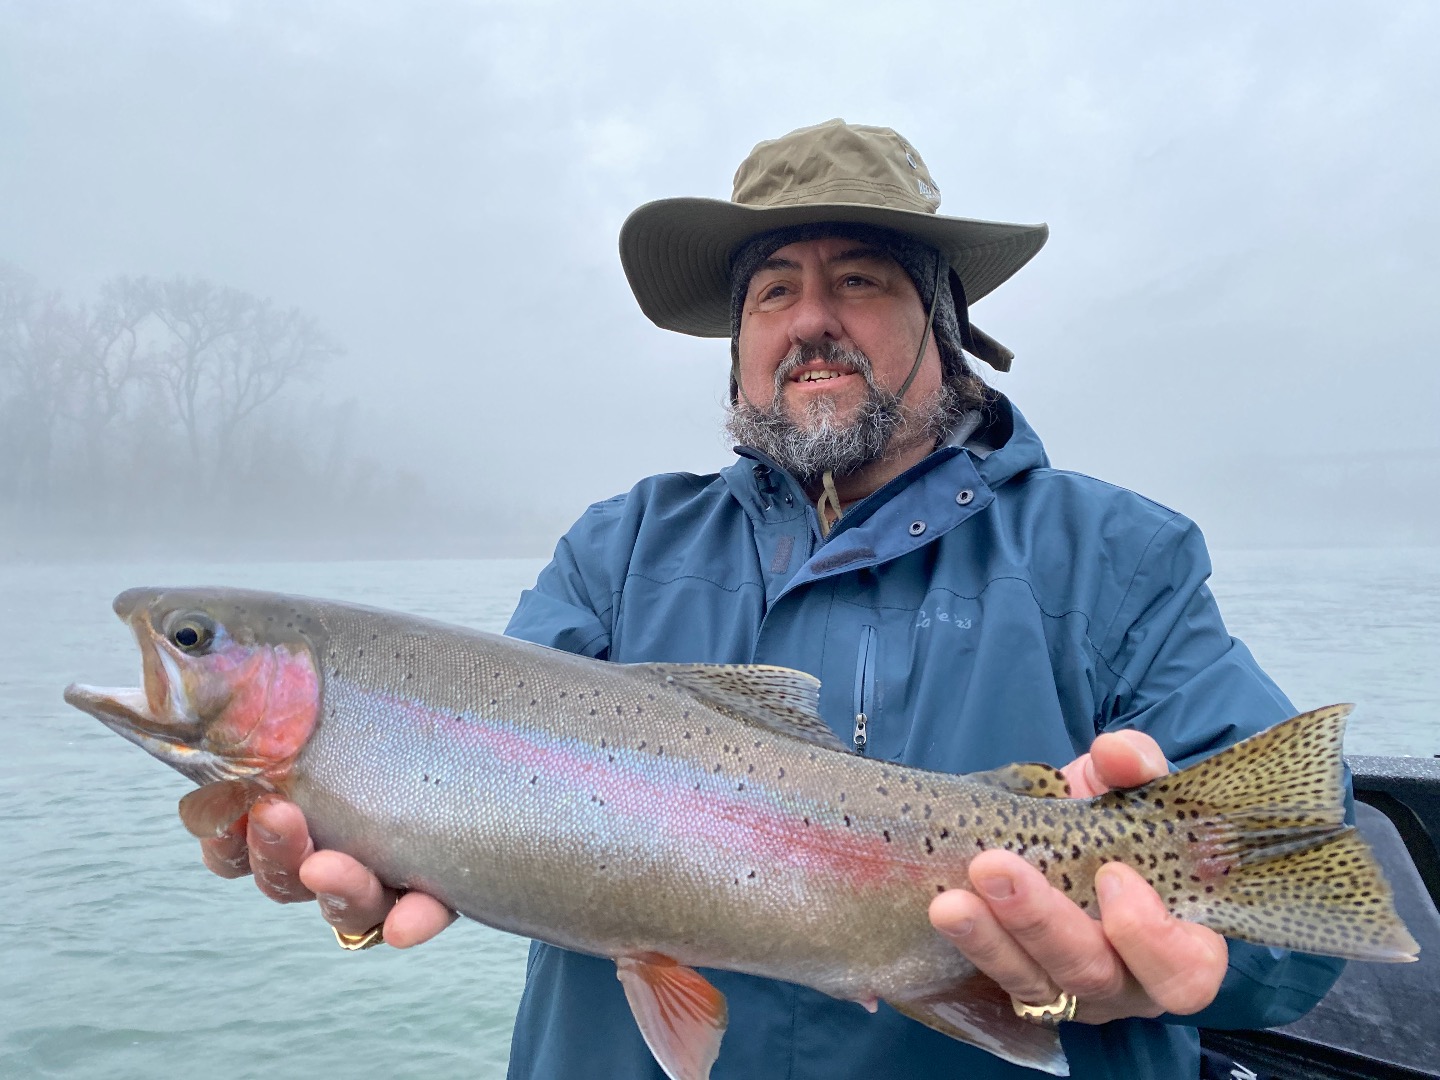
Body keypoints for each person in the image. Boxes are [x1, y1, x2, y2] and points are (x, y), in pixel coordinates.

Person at [200, 119, 1345, 1077]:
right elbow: (480, 777)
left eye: (859, 280)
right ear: (740, 347)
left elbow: (1310, 890)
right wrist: (372, 842)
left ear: (945, 331)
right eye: (772, 293)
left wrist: (1178, 953)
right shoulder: (618, 548)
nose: (809, 321)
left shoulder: (1115, 554)